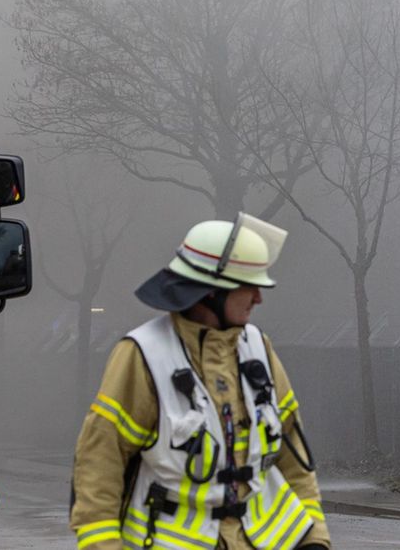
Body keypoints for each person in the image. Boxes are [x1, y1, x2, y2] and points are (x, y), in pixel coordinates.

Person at [69, 214, 329, 550]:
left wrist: (315, 537)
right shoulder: (142, 355)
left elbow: (293, 455)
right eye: (248, 286)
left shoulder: (258, 348)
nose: (258, 298)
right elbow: (100, 464)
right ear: (210, 292)